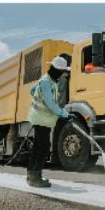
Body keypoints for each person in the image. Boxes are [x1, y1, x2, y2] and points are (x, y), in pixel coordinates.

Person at [26, 55, 71, 188]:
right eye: (62, 71)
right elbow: (51, 104)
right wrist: (65, 114)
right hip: (41, 119)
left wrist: (37, 97)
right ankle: (35, 176)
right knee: (44, 147)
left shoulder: (46, 80)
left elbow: (31, 90)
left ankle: (32, 174)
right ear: (58, 70)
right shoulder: (46, 82)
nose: (63, 73)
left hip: (40, 118)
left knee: (37, 146)